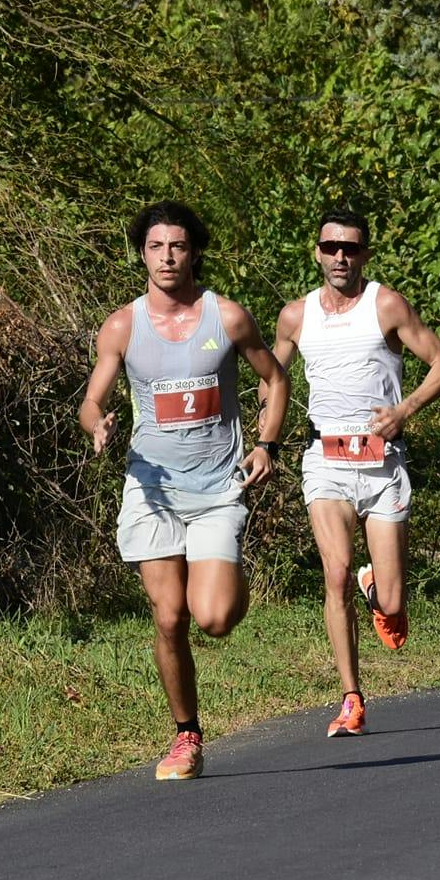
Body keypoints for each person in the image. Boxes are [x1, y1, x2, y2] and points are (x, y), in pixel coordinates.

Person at [80, 201, 291, 780]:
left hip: (218, 489)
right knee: (168, 617)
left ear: (194, 252)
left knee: (214, 619)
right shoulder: (123, 325)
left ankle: (228, 568)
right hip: (152, 492)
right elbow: (91, 398)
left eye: (177, 246)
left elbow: (275, 378)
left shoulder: (226, 317)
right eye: (155, 247)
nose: (167, 257)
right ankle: (186, 736)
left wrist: (267, 444)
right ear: (142, 254)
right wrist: (97, 423)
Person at [272, 207, 440, 737]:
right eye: (331, 247)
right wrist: (263, 437)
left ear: (364, 255)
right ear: (317, 252)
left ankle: (378, 591)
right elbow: (274, 379)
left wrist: (404, 412)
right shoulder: (295, 316)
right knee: (334, 573)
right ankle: (351, 698)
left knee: (394, 603)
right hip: (325, 461)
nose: (340, 257)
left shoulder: (386, 305)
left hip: (381, 465)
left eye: (350, 248)